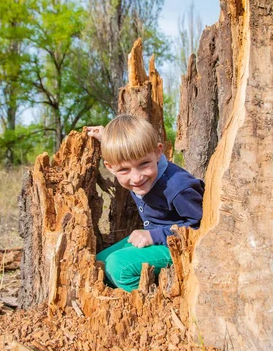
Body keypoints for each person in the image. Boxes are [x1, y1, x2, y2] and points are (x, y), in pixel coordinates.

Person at [87, 115, 204, 292]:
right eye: (124, 169)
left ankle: (156, 300)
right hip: (156, 238)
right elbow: (128, 155)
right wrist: (107, 138)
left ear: (158, 152)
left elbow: (201, 229)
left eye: (143, 164)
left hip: (177, 247)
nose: (136, 177)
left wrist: (155, 236)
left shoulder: (178, 188)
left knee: (118, 267)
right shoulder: (139, 165)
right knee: (98, 263)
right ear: (111, 167)